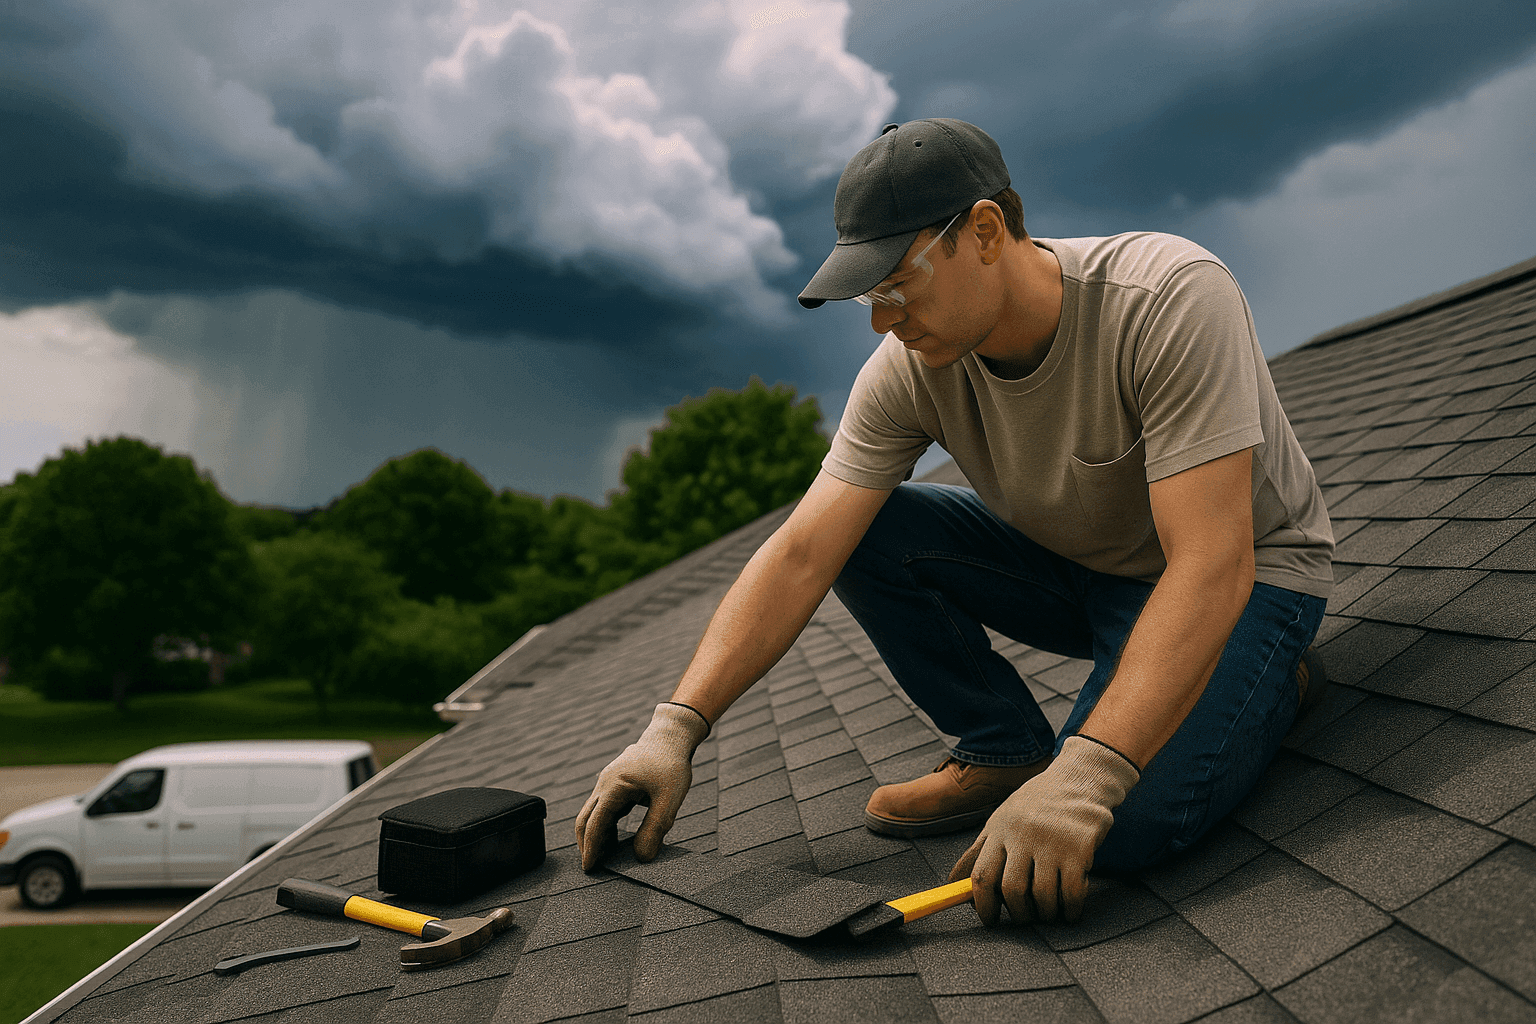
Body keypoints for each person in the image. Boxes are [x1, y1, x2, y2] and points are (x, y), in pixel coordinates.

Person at [575, 118, 1333, 926]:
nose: (880, 320)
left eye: (895, 285)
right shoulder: (909, 368)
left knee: (1114, 829)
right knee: (861, 528)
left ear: (984, 230)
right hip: (1083, 572)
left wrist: (1086, 776)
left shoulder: (1167, 297)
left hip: (1244, 579)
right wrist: (673, 729)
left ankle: (1266, 677)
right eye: (868, 297)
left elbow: (1213, 561)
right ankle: (1004, 751)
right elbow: (801, 554)